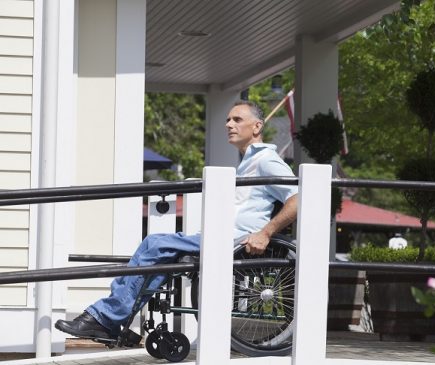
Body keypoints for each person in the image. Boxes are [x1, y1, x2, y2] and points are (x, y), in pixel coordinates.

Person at [55, 100, 298, 340]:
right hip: (220, 237)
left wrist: (265, 233)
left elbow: (298, 199)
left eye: (237, 119)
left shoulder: (266, 160)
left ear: (256, 127)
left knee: (158, 245)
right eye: (227, 119)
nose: (229, 124)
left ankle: (106, 318)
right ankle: (114, 320)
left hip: (235, 242)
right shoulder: (247, 162)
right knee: (157, 248)